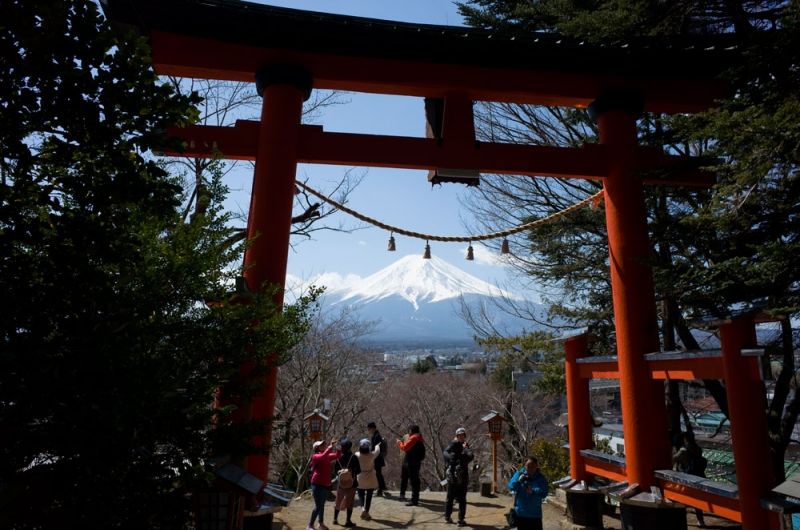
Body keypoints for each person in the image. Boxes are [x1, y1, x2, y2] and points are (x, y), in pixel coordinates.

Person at [673, 431, 707, 528]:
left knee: (682, 497)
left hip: (688, 476)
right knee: (697, 499)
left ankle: (679, 518)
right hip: (699, 476)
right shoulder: (698, 448)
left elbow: (674, 459)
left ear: (685, 439)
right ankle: (700, 520)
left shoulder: (683, 450)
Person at [443, 427, 474, 526]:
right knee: (453, 498)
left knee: (457, 498)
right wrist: (455, 459)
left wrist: (453, 459)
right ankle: (449, 517)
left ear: (464, 436)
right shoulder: (454, 445)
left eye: (462, 435)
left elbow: (470, 456)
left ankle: (458, 519)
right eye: (459, 435)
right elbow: (470, 456)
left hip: (458, 475)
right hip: (457, 475)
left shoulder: (460, 445)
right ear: (457, 436)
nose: (461, 437)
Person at [508, 456, 548, 530]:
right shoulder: (519, 474)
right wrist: (519, 481)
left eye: (533, 466)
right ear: (524, 466)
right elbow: (511, 487)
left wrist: (533, 491)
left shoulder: (540, 478)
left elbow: (544, 493)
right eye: (528, 466)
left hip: (535, 514)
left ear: (536, 466)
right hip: (521, 514)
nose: (530, 468)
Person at [308, 439, 341, 530]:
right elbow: (322, 456)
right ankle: (310, 525)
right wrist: (330, 447)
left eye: (324, 444)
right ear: (316, 447)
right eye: (321, 444)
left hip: (325, 484)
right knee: (318, 506)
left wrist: (337, 447)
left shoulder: (327, 455)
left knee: (321, 505)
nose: (324, 445)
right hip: (317, 484)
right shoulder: (316, 456)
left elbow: (337, 456)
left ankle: (320, 523)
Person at [333, 438, 360, 528]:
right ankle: (348, 521)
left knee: (338, 500)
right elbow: (358, 470)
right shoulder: (354, 457)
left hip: (341, 483)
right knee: (350, 502)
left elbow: (335, 470)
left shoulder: (338, 457)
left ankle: (335, 519)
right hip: (351, 483)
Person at [396, 424, 425, 506]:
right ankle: (415, 498)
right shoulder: (420, 437)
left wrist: (399, 443)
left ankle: (414, 500)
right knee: (415, 480)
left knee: (413, 481)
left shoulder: (414, 438)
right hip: (416, 461)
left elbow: (405, 448)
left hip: (411, 462)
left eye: (409, 431)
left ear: (411, 431)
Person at [355, 437, 381, 521]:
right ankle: (367, 512)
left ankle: (362, 508)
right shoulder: (372, 455)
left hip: (360, 476)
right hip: (371, 477)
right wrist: (377, 445)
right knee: (369, 496)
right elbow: (377, 451)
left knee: (361, 494)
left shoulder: (357, 455)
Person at [367, 421, 387, 496]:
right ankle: (382, 487)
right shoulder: (376, 435)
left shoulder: (376, 436)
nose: (368, 430)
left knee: (378, 474)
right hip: (377, 457)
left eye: (369, 429)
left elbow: (375, 448)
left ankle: (380, 490)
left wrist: (371, 456)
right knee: (378, 474)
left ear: (372, 428)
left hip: (377, 458)